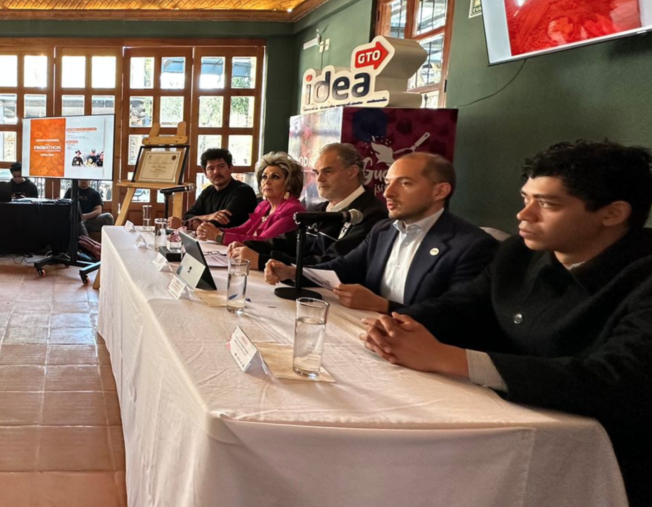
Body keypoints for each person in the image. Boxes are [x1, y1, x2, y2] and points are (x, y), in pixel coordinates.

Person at [360, 141, 652, 506]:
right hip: (501, 426)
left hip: (603, 465)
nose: (524, 214)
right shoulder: (517, 253)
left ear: (613, 214)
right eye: (525, 198)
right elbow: (461, 306)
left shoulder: (641, 278)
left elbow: (615, 380)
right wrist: (398, 325)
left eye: (547, 204)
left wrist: (450, 359)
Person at [265, 153, 497, 313]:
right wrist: (294, 271)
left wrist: (383, 306)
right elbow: (342, 268)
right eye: (388, 183)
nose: (388, 193)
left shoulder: (473, 246)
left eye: (404, 184)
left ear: (440, 191)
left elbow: (456, 314)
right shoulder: (383, 230)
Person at [230, 143, 387, 270]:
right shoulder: (321, 209)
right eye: (317, 172)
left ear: (352, 172)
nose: (319, 179)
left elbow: (331, 265)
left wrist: (262, 260)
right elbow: (292, 241)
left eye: (327, 172)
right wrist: (250, 245)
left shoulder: (372, 214)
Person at [197, 152, 305, 245]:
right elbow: (243, 229)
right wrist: (212, 230)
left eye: (275, 177)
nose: (267, 182)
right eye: (264, 177)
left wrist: (219, 236)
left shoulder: (292, 210)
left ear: (289, 184)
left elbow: (263, 241)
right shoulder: (263, 206)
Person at [170, 148, 258, 231]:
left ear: (230, 168)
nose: (216, 172)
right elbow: (188, 216)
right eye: (211, 168)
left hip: (235, 240)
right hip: (207, 240)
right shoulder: (208, 191)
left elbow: (220, 225)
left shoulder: (243, 191)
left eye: (221, 166)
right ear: (205, 173)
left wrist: (184, 224)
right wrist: (209, 217)